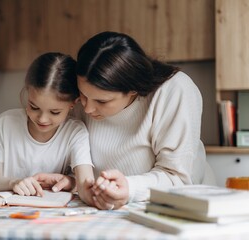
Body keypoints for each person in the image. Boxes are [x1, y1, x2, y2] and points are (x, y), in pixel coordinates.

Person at [74, 31, 216, 210]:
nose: (87, 109)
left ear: (133, 89)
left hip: (184, 205)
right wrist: (72, 180)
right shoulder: (82, 101)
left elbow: (177, 178)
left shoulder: (173, 91)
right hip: (108, 207)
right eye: (83, 95)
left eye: (102, 101)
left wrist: (129, 188)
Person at [0, 52, 94, 204]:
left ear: (73, 104)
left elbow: (86, 181)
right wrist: (12, 183)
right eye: (34, 107)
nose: (42, 119)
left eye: (55, 112)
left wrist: (71, 182)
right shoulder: (6, 123)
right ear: (27, 93)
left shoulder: (75, 132)